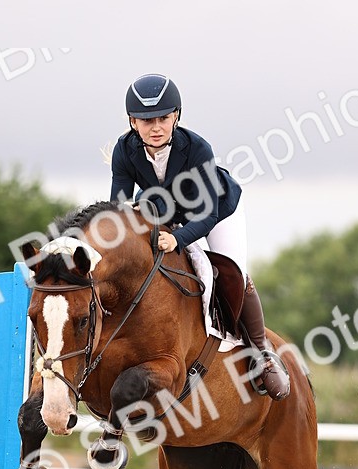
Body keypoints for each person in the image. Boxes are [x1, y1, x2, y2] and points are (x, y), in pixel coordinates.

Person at [109, 73, 290, 401]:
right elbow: (119, 208)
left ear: (176, 115)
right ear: (132, 121)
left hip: (218, 211)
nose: (156, 127)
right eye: (146, 120)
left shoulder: (197, 148)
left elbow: (205, 215)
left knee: (231, 270)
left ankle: (263, 354)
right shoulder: (124, 151)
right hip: (167, 214)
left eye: (163, 118)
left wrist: (178, 240)